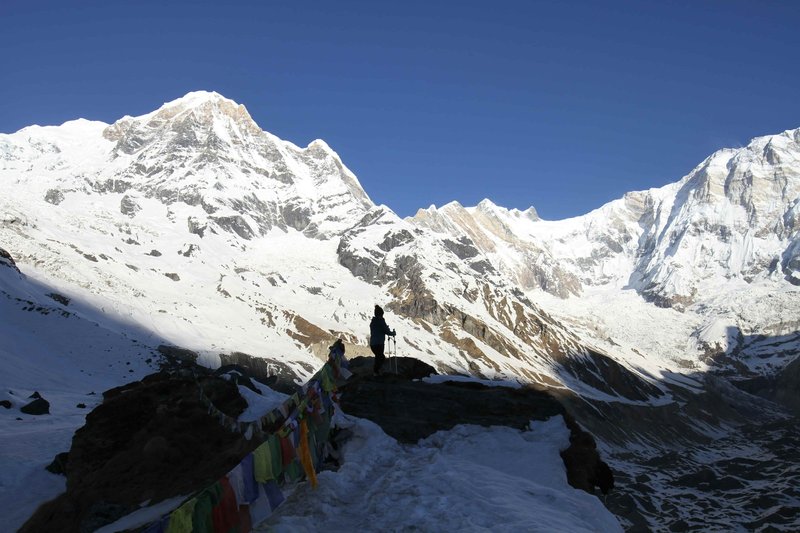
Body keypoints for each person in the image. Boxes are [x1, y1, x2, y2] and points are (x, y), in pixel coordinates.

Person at [369, 305, 395, 376]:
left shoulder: (373, 322)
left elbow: (379, 329)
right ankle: (376, 372)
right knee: (380, 357)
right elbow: (386, 331)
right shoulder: (381, 321)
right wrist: (393, 333)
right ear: (381, 314)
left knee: (379, 356)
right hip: (379, 343)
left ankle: (377, 371)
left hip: (373, 343)